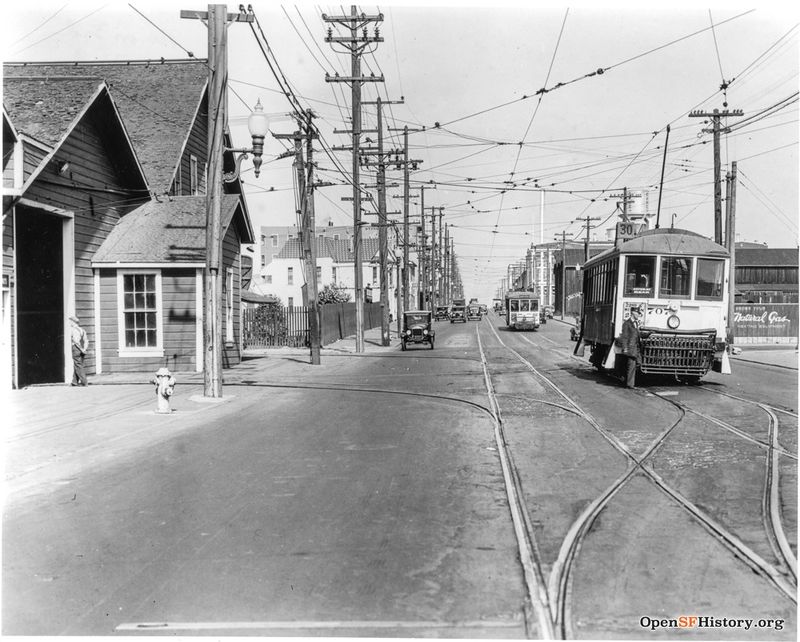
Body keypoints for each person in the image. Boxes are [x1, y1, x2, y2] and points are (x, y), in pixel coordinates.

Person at [617, 305, 642, 389]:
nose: (639, 315)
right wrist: (625, 348)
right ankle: (630, 384)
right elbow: (624, 337)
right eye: (638, 313)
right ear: (633, 313)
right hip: (631, 349)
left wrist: (648, 333)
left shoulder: (636, 323)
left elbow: (638, 335)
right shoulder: (627, 324)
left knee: (637, 364)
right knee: (631, 365)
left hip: (635, 348)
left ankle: (627, 380)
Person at [69, 315, 89, 386]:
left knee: (78, 365)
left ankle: (84, 382)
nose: (70, 323)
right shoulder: (82, 330)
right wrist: (84, 349)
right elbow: (86, 340)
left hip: (76, 349)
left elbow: (76, 342)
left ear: (73, 322)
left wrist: (81, 349)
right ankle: (74, 382)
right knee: (77, 364)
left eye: (70, 322)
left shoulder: (74, 330)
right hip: (81, 349)